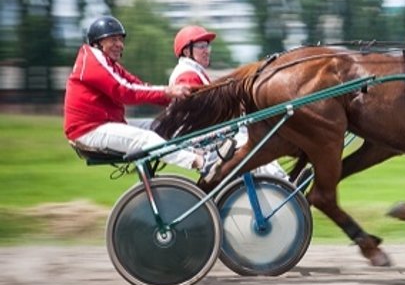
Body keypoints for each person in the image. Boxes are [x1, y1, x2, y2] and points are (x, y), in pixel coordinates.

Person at [64, 16, 226, 181]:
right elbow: (125, 91)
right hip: (88, 130)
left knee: (161, 126)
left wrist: (175, 99)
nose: (119, 44)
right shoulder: (93, 59)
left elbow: (139, 86)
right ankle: (202, 163)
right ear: (97, 43)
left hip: (106, 124)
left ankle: (200, 154)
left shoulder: (109, 64)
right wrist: (168, 92)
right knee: (147, 139)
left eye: (120, 40)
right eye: (113, 39)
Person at [169, 25, 288, 180]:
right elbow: (202, 110)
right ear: (186, 51)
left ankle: (280, 182)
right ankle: (282, 182)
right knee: (254, 141)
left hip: (204, 133)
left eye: (207, 46)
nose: (207, 50)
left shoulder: (193, 71)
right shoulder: (187, 74)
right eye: (201, 46)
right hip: (199, 138)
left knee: (253, 136)